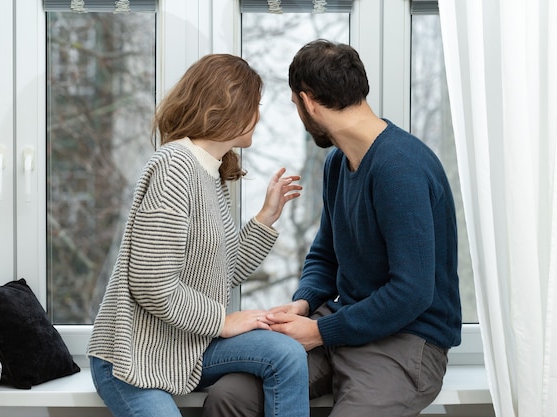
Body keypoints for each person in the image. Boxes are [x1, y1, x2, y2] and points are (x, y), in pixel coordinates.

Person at [203, 39, 462, 417]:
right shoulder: (338, 164)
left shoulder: (399, 168)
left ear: (307, 102)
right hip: (341, 324)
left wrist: (321, 332)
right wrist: (305, 302)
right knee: (231, 396)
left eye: (295, 106)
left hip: (406, 339)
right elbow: (326, 254)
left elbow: (412, 292)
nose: (299, 114)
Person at [86, 54, 310, 417]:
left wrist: (267, 217)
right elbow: (150, 281)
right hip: (133, 359)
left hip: (186, 346)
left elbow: (225, 272)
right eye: (254, 104)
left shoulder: (212, 174)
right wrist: (221, 321)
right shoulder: (176, 166)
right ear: (229, 104)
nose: (259, 115)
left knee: (286, 354)